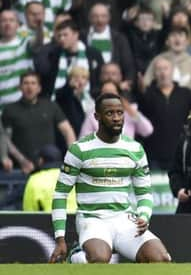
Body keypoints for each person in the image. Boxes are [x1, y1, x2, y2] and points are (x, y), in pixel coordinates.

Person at [48, 93, 171, 264]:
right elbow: (60, 195)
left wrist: (144, 215)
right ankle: (77, 256)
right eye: (110, 113)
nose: (116, 118)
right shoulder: (79, 149)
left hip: (124, 219)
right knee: (99, 259)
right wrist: (60, 238)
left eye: (120, 113)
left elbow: (144, 194)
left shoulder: (135, 149)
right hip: (93, 218)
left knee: (162, 259)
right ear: (97, 116)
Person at [22, 144, 77, 213]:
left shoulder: (34, 180)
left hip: (49, 222)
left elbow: (29, 213)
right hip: (78, 222)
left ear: (41, 161)